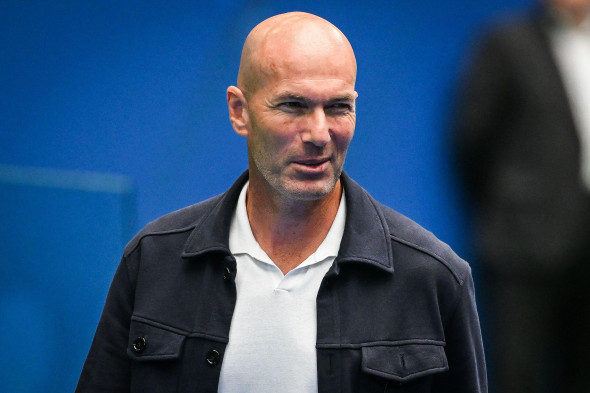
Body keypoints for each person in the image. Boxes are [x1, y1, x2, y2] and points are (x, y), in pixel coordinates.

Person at [76, 12, 486, 393]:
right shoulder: (154, 260)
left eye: (339, 107)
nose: (319, 133)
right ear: (240, 111)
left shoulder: (433, 278)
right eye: (293, 105)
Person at [453, 1, 590, 392]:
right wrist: (510, 208)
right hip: (524, 242)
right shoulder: (507, 42)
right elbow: (471, 138)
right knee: (518, 373)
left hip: (588, 243)